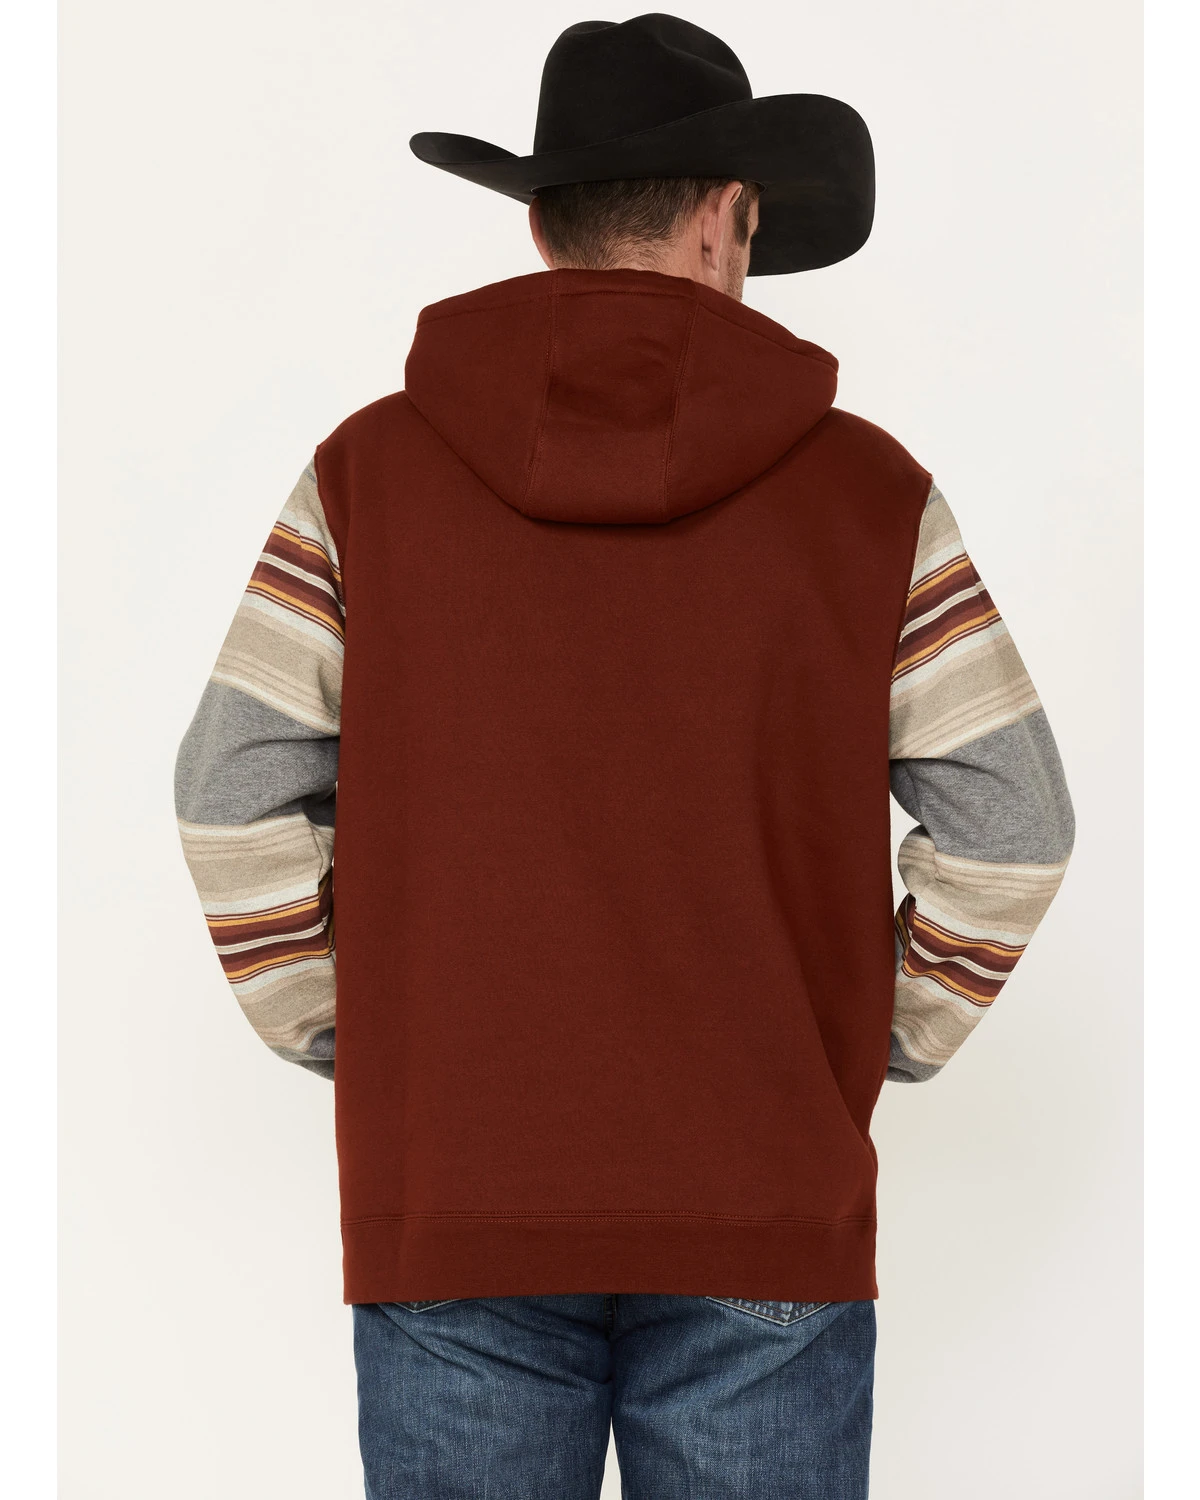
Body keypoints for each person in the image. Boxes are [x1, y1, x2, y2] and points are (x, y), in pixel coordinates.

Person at [173, 14, 1074, 1498]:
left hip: (454, 1185)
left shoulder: (363, 479)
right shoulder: (871, 496)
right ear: (728, 215)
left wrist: (370, 1038)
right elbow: (1017, 822)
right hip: (762, 1188)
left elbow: (228, 795)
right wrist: (859, 1041)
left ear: (542, 225)